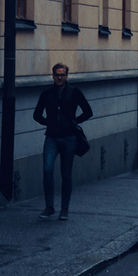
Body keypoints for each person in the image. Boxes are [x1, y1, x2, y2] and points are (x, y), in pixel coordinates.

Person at [33, 63, 93, 221]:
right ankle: (49, 207)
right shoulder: (46, 94)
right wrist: (48, 123)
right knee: (47, 170)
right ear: (52, 76)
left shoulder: (74, 92)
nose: (59, 78)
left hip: (69, 138)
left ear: (67, 76)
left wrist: (75, 121)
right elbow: (36, 115)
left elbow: (88, 111)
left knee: (66, 174)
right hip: (51, 137)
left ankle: (64, 209)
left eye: (62, 75)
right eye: (57, 75)